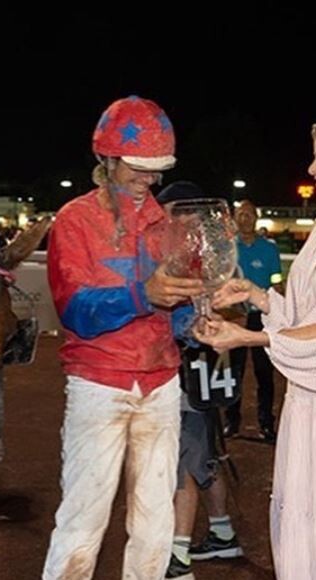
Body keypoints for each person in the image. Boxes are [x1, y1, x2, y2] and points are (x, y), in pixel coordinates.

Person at [42, 96, 204, 580]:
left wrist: (198, 317)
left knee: (156, 524)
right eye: (137, 166)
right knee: (82, 521)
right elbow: (76, 312)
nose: (148, 178)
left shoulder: (170, 226)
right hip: (99, 385)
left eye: (156, 170)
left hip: (161, 384)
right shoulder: (74, 219)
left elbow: (177, 313)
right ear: (107, 159)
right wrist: (143, 294)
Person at [194, 124, 316, 579]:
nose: (310, 168)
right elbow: (307, 315)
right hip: (305, 408)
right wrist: (260, 297)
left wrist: (247, 338)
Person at [157, 182, 243, 580]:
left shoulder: (195, 257)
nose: (170, 219)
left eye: (174, 211)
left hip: (189, 367)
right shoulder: (205, 252)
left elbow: (207, 317)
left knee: (185, 464)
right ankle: (222, 532)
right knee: (205, 456)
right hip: (202, 368)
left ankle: (177, 558)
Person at [223, 200, 283, 442]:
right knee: (233, 370)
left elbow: (276, 280)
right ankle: (232, 422)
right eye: (241, 215)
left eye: (249, 214)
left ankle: (266, 423)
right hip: (235, 315)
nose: (245, 219)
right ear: (235, 219)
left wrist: (278, 307)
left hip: (261, 316)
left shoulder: (269, 249)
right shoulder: (228, 249)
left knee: (263, 372)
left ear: (256, 218)